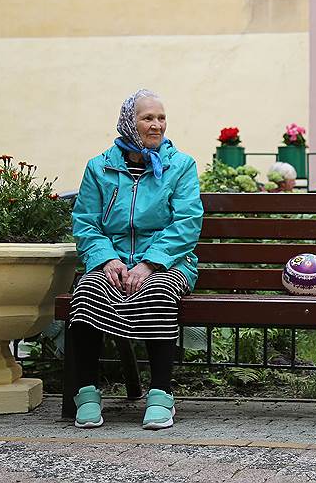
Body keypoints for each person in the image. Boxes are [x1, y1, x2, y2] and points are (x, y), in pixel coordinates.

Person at [69, 89, 203, 430]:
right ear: (130, 123)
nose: (156, 125)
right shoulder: (99, 168)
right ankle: (86, 392)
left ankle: (160, 393)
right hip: (113, 260)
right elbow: (85, 221)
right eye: (148, 118)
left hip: (168, 262)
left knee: (159, 292)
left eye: (161, 118)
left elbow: (187, 223)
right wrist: (106, 260)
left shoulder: (180, 166)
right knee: (87, 292)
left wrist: (150, 263)